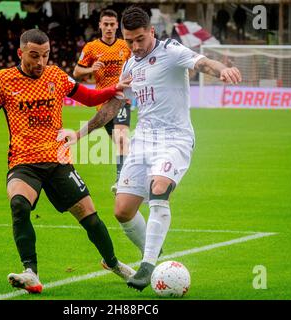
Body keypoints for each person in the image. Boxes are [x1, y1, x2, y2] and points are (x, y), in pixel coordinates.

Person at [58, 6, 242, 291]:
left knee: (159, 189)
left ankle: (147, 264)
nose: (135, 46)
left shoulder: (171, 51)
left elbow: (203, 62)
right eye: (129, 40)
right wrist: (80, 134)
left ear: (152, 32)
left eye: (140, 39)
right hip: (144, 140)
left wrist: (223, 70)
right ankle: (155, 253)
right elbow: (113, 106)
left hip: (175, 138)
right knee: (122, 210)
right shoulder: (130, 65)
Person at [0, 29, 134, 294]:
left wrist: (114, 89)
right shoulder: (3, 80)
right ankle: (30, 272)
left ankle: (113, 263)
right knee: (19, 205)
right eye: (34, 56)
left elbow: (88, 98)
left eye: (45, 55)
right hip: (23, 161)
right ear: (21, 53)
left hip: (58, 160)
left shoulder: (56, 75)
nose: (41, 62)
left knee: (89, 217)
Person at [73, 9, 132, 193]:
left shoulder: (125, 46)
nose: (108, 28)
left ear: (117, 26)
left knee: (122, 138)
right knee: (119, 142)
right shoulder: (91, 48)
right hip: (103, 102)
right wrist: (90, 69)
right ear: (100, 25)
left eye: (112, 24)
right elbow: (76, 72)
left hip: (122, 99)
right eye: (105, 24)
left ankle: (121, 180)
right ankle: (130, 174)